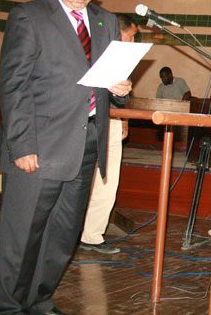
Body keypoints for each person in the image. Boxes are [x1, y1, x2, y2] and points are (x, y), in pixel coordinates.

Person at [0, 0, 132, 315]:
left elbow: (106, 82)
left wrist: (119, 89)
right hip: (38, 146)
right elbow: (14, 85)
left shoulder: (104, 21)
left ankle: (39, 300)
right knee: (23, 237)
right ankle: (7, 308)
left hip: (86, 144)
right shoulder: (30, 16)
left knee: (62, 236)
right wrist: (22, 145)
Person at [79, 14, 138, 255]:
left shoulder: (124, 57)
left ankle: (92, 235)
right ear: (118, 31)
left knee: (108, 181)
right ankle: (70, 232)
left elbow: (121, 93)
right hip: (87, 122)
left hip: (112, 121)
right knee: (82, 180)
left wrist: (124, 119)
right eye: (131, 36)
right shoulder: (93, 47)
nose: (133, 42)